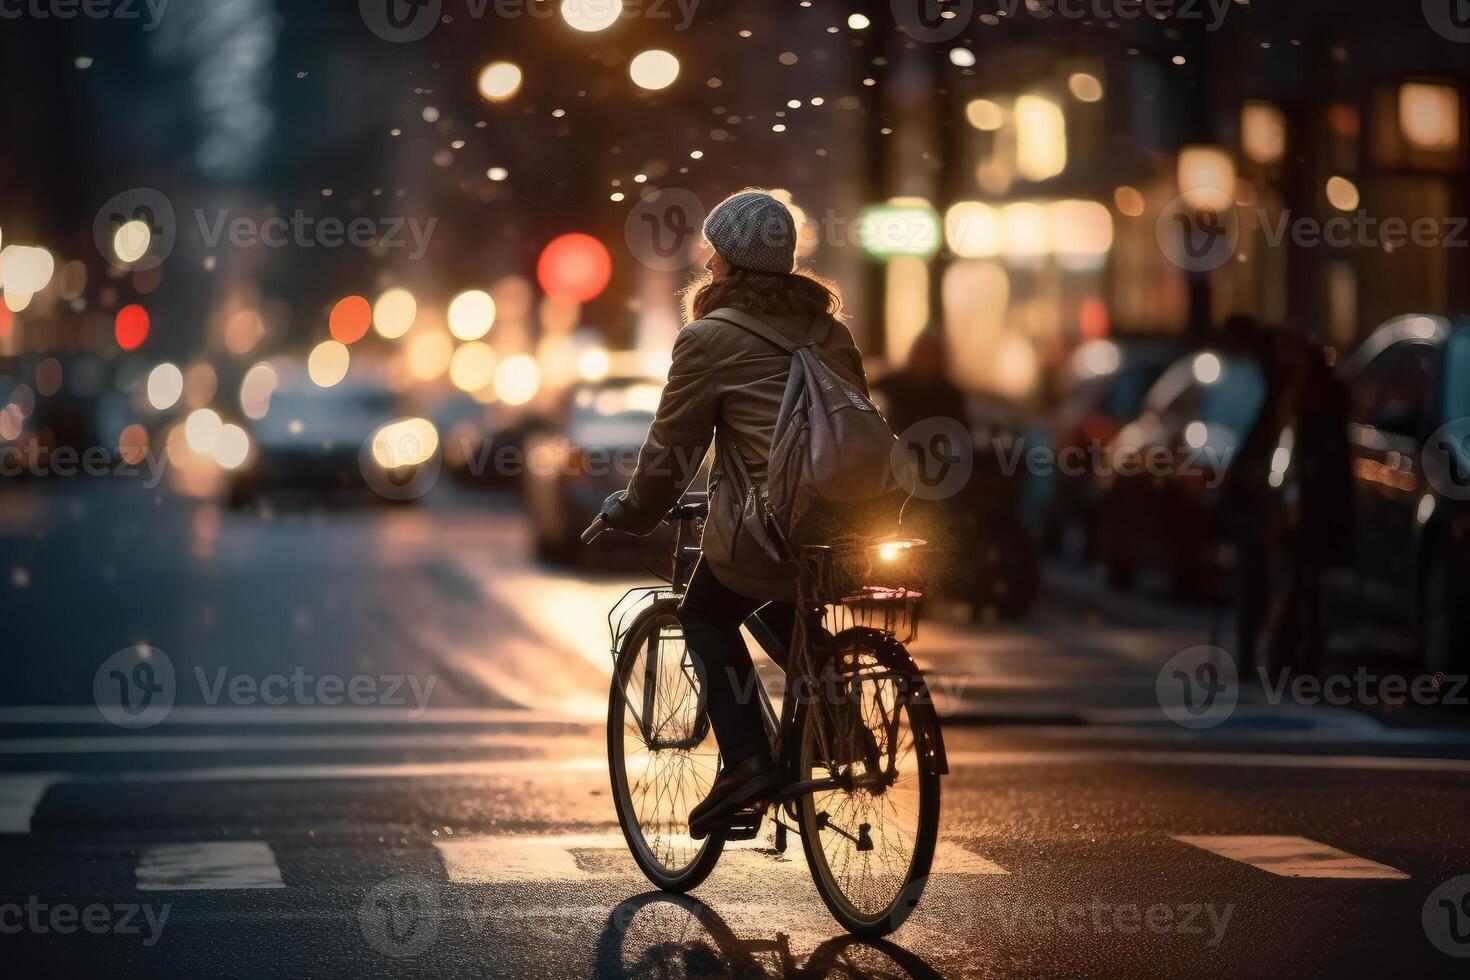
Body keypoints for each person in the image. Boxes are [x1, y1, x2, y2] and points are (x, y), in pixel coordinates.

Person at [596, 189, 871, 838]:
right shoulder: (831, 331)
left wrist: (632, 512)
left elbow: (671, 453)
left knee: (705, 610)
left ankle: (748, 763)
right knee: (785, 598)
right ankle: (838, 724)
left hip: (766, 528)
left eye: (713, 252)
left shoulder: (707, 339)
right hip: (849, 525)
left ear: (722, 261)